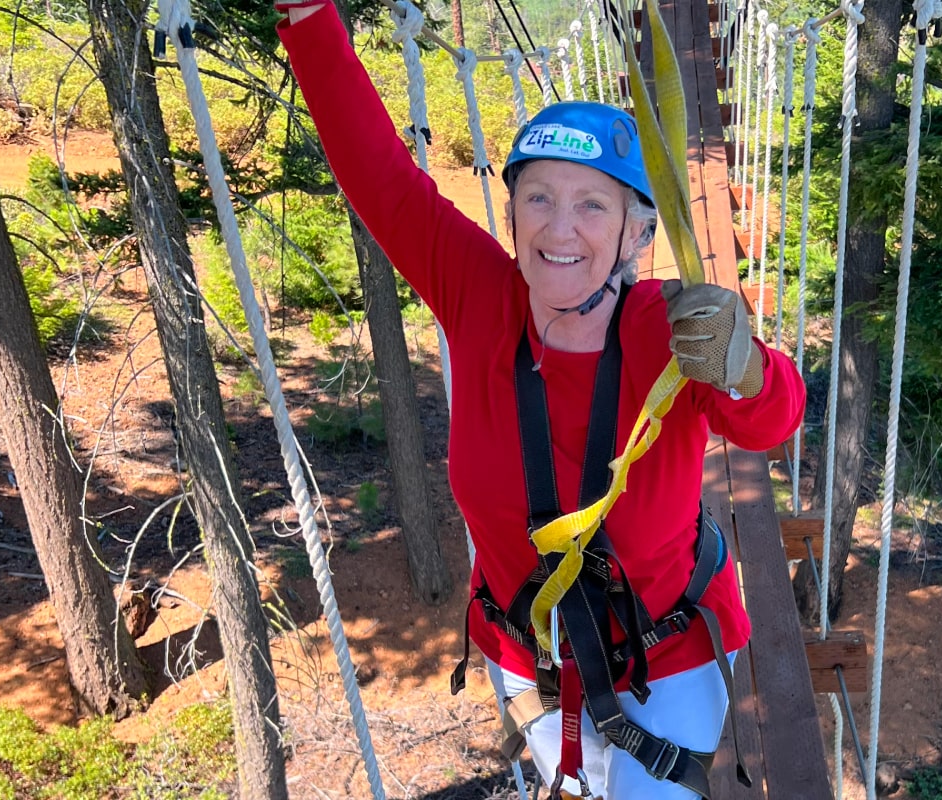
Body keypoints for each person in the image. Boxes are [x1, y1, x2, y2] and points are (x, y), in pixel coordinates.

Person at [276, 4, 804, 797]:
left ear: (636, 233)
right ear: (514, 213)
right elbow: (378, 176)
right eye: (537, 198)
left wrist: (744, 367)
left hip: (668, 659)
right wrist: (310, 18)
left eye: (593, 204)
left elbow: (771, 419)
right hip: (531, 664)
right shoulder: (479, 294)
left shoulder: (673, 328)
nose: (560, 228)